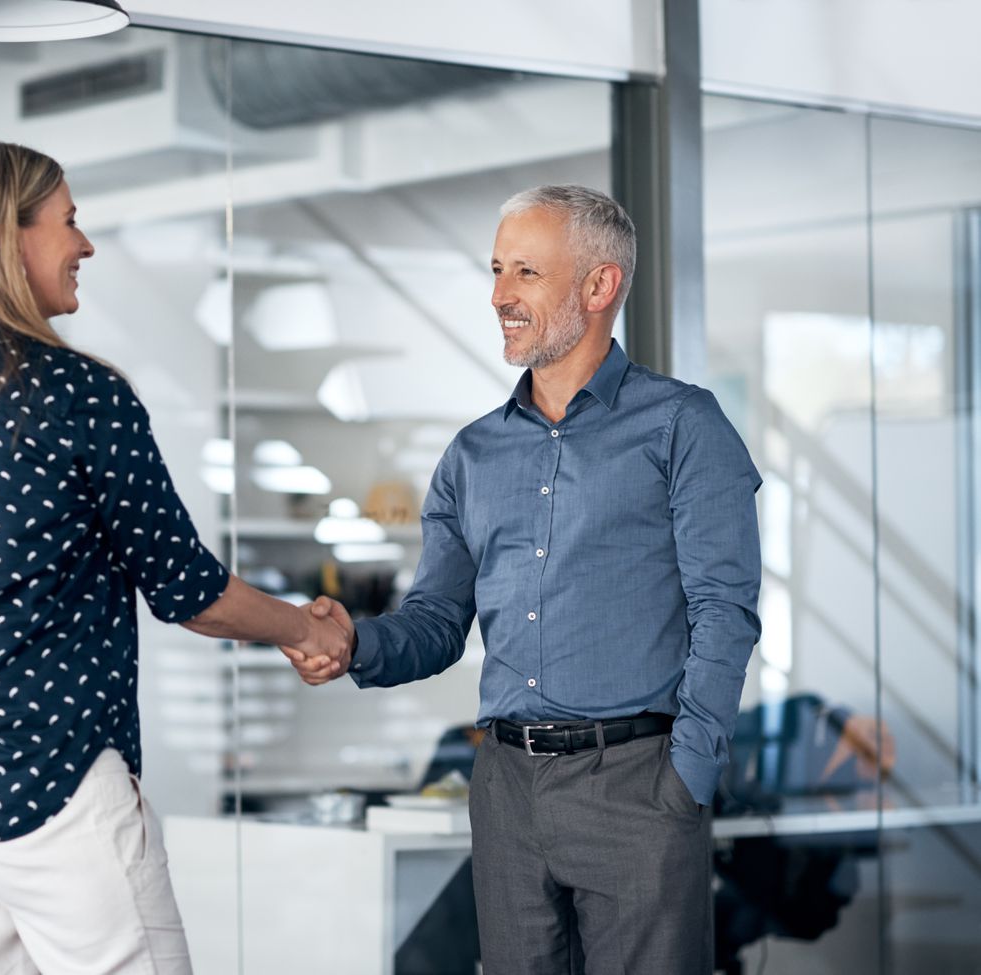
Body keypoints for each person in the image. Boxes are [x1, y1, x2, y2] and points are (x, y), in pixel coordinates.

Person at [0, 140, 351, 975]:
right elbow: (188, 588)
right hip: (58, 794)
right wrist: (308, 628)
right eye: (68, 221)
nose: (85, 245)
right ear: (8, 240)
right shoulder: (75, 394)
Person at [283, 184, 763, 974]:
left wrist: (686, 782)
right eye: (498, 270)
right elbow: (437, 622)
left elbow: (725, 612)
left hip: (637, 789)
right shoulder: (471, 457)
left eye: (527, 273)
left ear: (600, 285)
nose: (501, 295)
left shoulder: (684, 425)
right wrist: (351, 642)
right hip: (506, 788)